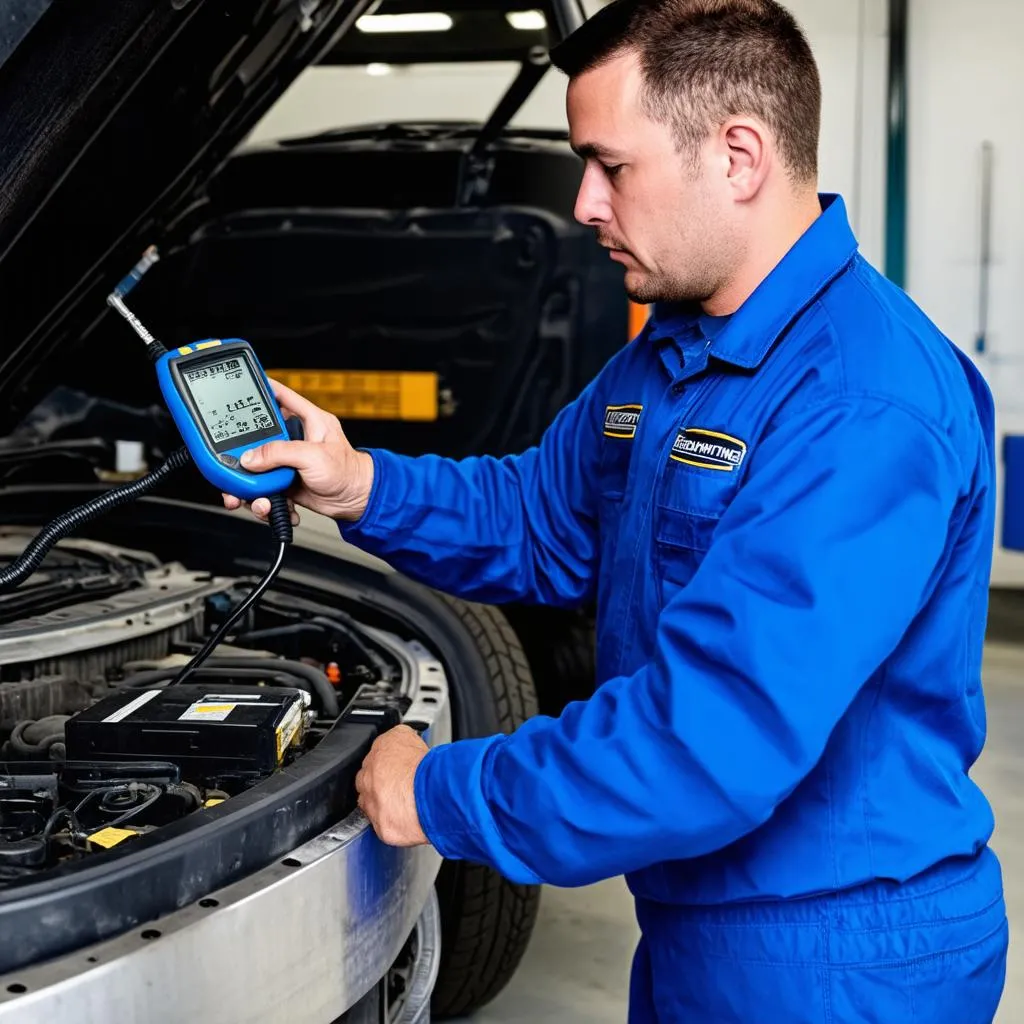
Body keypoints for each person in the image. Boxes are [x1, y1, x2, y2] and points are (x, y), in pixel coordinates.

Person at [224, 0, 1009, 1019]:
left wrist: (442, 792)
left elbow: (705, 741)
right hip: (706, 924)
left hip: (835, 954)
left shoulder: (862, 403)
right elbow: (541, 518)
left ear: (737, 155)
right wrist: (358, 481)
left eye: (611, 165)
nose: (585, 204)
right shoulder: (672, 355)